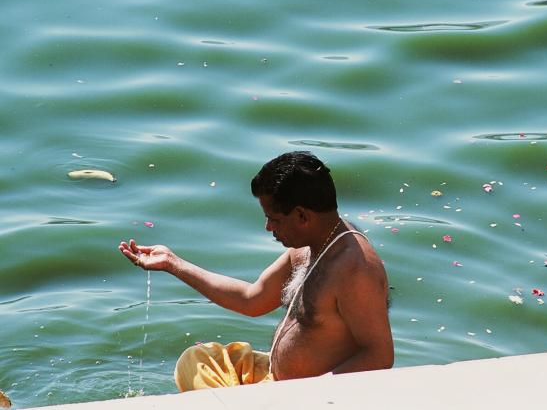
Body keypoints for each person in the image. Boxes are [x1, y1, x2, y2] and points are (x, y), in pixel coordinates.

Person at [118, 151, 394, 390]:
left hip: (306, 394)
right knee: (197, 360)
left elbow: (380, 355)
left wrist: (310, 394)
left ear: (302, 216)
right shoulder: (308, 247)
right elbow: (251, 299)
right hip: (275, 378)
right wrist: (173, 263)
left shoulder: (354, 269)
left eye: (274, 219)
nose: (268, 228)